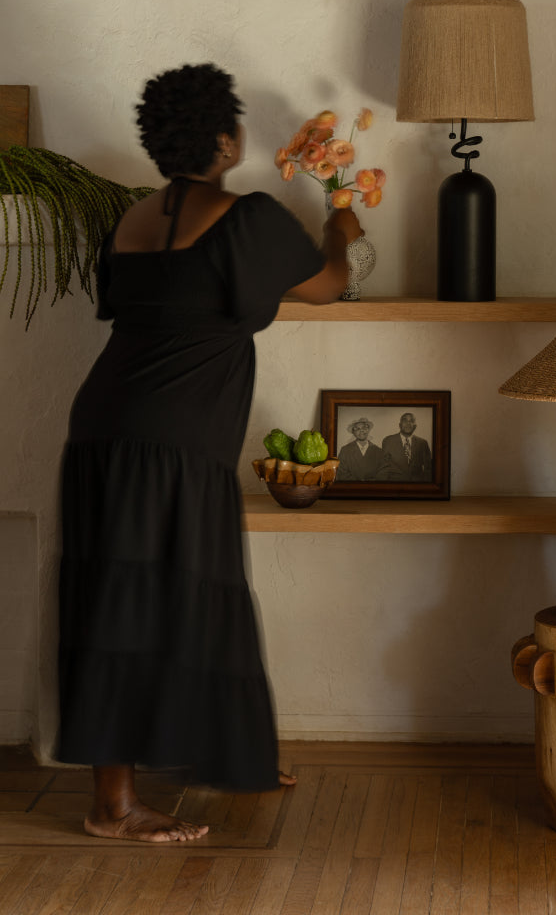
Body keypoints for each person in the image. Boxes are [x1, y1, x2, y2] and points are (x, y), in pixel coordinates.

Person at [57, 63, 360, 843]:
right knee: (173, 596)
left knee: (125, 597)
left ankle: (231, 756)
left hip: (102, 424)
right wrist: (340, 228)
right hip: (174, 440)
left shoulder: (129, 219)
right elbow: (327, 285)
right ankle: (112, 809)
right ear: (226, 139)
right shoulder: (248, 216)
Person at [381, 413, 433, 482]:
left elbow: (428, 469)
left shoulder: (423, 443)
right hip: (394, 485)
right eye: (405, 421)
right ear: (400, 425)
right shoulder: (388, 441)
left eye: (411, 421)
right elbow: (383, 468)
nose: (408, 424)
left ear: (415, 426)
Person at [335, 417, 387, 481]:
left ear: (368, 430)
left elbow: (383, 473)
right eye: (357, 429)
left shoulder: (379, 451)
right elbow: (341, 473)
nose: (361, 430)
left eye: (364, 428)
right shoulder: (345, 450)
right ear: (353, 432)